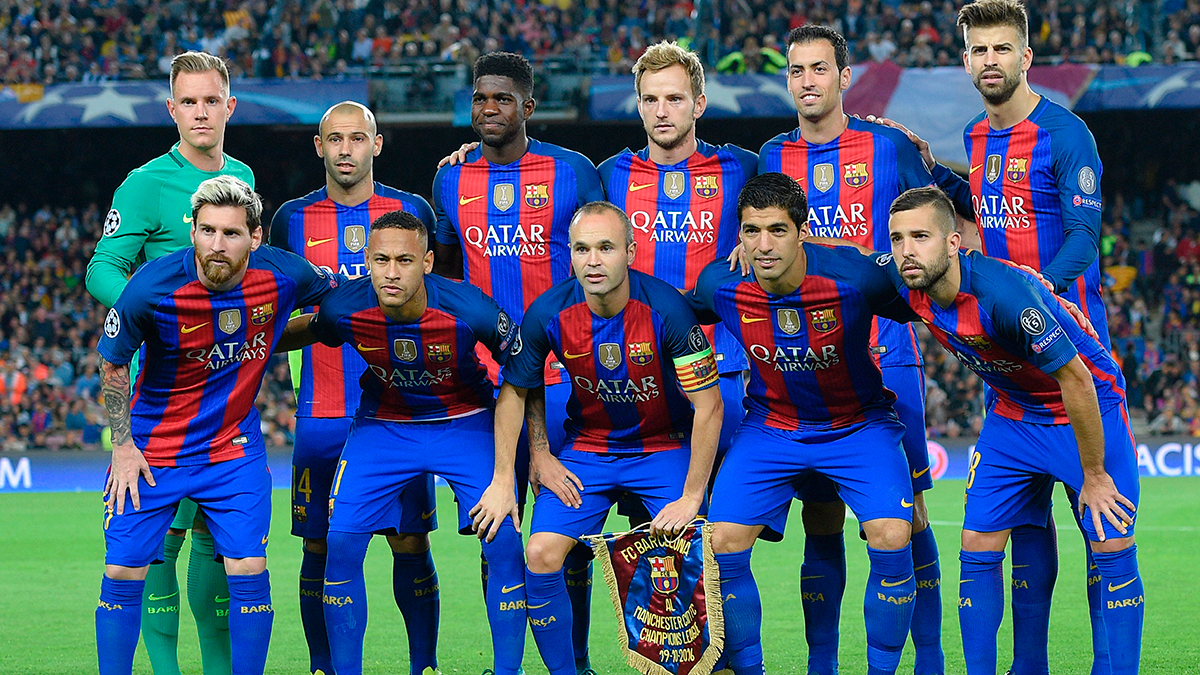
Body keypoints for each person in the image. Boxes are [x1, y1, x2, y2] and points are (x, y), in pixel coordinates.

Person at [874, 1, 1113, 669]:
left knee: (1101, 531)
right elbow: (983, 203)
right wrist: (934, 169)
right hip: (1003, 366)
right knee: (1025, 524)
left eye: (1002, 48)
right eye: (979, 50)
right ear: (967, 60)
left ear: (1026, 56)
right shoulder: (978, 135)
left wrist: (1036, 292)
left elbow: (1084, 237)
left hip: (1066, 350)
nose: (990, 60)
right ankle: (1027, 664)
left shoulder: (1066, 134)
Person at [757, 25, 967, 673]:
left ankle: (928, 660)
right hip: (805, 364)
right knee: (819, 516)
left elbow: (947, 210)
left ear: (845, 77)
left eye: (820, 68)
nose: (808, 81)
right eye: (797, 70)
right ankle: (822, 664)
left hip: (886, 355)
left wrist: (932, 165)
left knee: (910, 516)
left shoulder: (887, 146)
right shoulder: (770, 156)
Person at [880, 186, 1141, 675]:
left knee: (1110, 542)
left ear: (953, 243)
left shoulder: (1004, 294)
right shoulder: (906, 278)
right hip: (1013, 414)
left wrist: (1094, 475)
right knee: (977, 543)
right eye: (897, 239)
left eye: (920, 236)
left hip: (1083, 405)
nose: (906, 250)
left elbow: (1078, 380)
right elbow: (847, 259)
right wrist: (787, 244)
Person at [95, 175, 342, 675]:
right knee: (122, 571)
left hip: (233, 447)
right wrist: (122, 447)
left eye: (231, 233)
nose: (216, 244)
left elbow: (341, 296)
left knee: (249, 567)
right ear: (193, 232)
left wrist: (333, 323)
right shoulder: (153, 286)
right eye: (206, 231)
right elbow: (113, 362)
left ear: (255, 237)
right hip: (154, 450)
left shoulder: (284, 273)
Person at [276, 210, 529, 675]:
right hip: (383, 425)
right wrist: (244, 339)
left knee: (504, 543)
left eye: (405, 261)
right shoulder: (344, 307)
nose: (391, 273)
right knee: (341, 543)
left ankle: (506, 671)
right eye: (381, 260)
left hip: (465, 422)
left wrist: (521, 464)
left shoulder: (469, 309)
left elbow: (523, 367)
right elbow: (307, 330)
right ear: (366, 262)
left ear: (427, 262)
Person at [688, 173, 920, 675]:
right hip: (771, 427)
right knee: (721, 543)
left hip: (857, 425)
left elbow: (931, 300)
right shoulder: (719, 284)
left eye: (777, 230)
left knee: (891, 535)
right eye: (752, 231)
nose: (763, 245)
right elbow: (672, 320)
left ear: (803, 232)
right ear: (738, 235)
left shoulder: (856, 277)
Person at [430, 51, 604, 674]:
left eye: (502, 99)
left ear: (528, 106)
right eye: (480, 98)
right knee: (497, 532)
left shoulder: (573, 171)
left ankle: (575, 661)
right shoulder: (450, 180)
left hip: (564, 378)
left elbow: (605, 256)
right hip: (486, 383)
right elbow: (446, 277)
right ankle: (506, 666)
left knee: (567, 533)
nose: (489, 109)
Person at [497, 202, 723, 675]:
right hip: (588, 450)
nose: (593, 261)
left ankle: (716, 665)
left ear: (631, 253)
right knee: (540, 553)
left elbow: (709, 405)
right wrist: (539, 453)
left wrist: (691, 496)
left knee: (695, 552)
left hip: (661, 445)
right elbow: (517, 389)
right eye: (582, 249)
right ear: (570, 255)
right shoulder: (549, 312)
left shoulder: (667, 308)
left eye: (606, 247)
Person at [85, 50, 252, 675]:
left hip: (225, 393)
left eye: (211, 101)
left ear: (229, 107)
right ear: (171, 109)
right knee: (158, 547)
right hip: (161, 397)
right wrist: (155, 312)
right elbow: (101, 268)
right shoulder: (146, 184)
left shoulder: (242, 179)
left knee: (217, 549)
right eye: (189, 102)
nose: (200, 112)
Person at [268, 101, 440, 675]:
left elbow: (436, 305)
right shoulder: (291, 219)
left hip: (398, 411)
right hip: (321, 411)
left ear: (377, 144)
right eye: (335, 139)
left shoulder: (411, 211)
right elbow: (279, 307)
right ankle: (324, 666)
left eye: (358, 138)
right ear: (319, 146)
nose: (346, 149)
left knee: (409, 541)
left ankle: (424, 665)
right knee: (317, 544)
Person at [597, 39, 756, 464]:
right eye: (651, 100)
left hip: (719, 363)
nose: (662, 111)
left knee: (721, 501)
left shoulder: (742, 168)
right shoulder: (611, 174)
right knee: (646, 500)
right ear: (639, 106)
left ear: (699, 104)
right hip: (637, 367)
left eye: (675, 99)